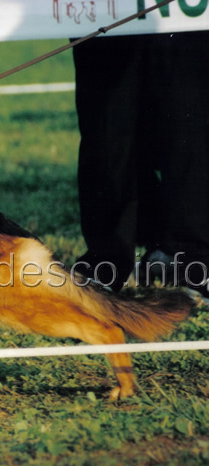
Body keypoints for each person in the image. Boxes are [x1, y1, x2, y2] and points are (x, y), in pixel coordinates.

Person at [71, 31, 209, 299]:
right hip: (106, 16)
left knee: (188, 124)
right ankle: (106, 261)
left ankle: (194, 256)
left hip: (183, 20)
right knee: (106, 130)